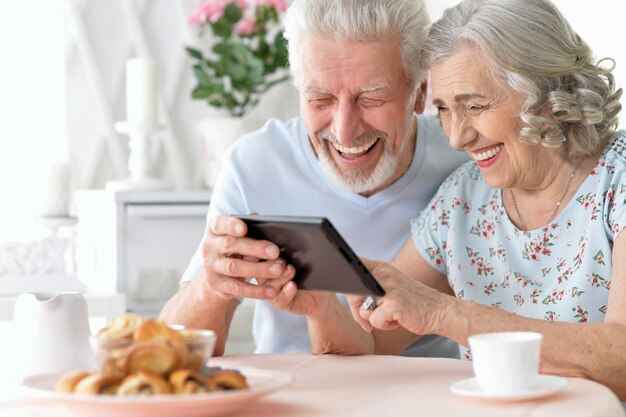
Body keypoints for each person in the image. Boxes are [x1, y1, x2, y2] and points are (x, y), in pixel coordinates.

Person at [267, 0, 626, 399]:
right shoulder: (463, 199)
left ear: (545, 92)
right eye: (444, 110)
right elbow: (369, 345)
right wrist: (319, 303)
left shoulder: (617, 180)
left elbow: (621, 358)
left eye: (474, 106)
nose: (456, 137)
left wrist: (444, 312)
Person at [159, 0, 468, 357]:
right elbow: (173, 352)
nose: (345, 131)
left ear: (420, 94)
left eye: (372, 98)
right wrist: (208, 288)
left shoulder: (463, 160)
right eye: (320, 98)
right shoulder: (256, 164)